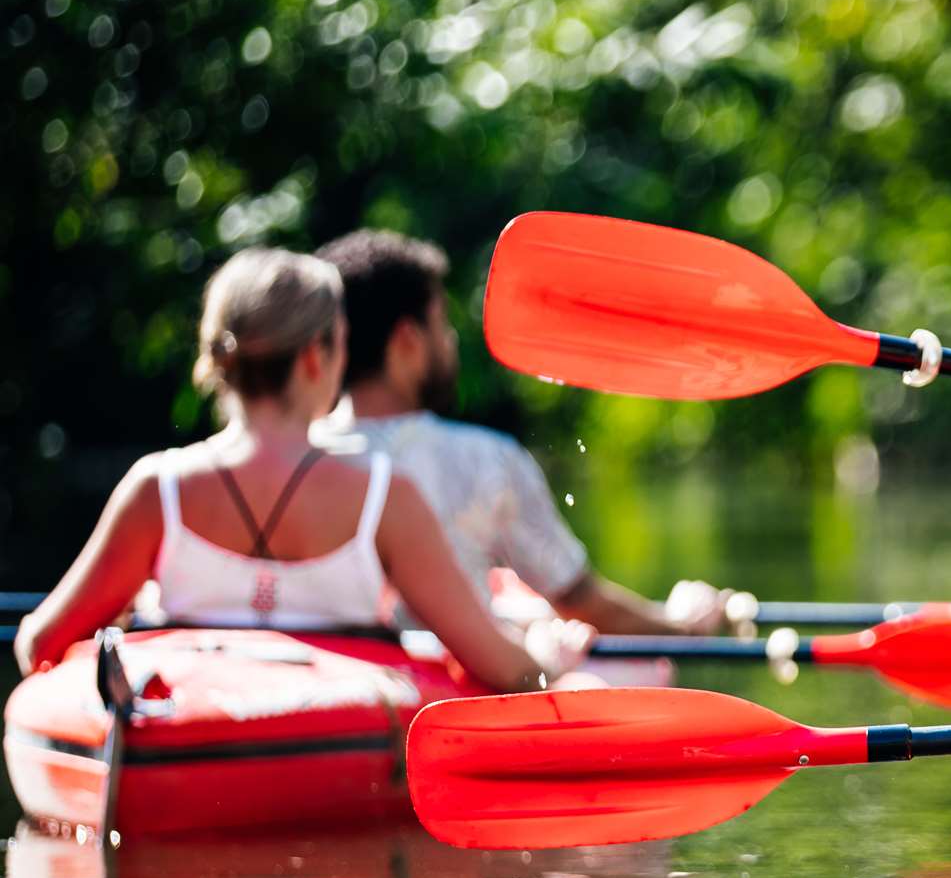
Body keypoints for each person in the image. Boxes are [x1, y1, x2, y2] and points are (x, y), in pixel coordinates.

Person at [14, 249, 582, 692]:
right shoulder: (385, 497)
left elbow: (38, 643)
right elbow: (501, 667)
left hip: (183, 743)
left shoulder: (155, 489)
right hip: (334, 758)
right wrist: (548, 660)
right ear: (317, 355)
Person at [313, 229, 734, 635]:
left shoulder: (293, 456)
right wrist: (682, 623)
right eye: (441, 324)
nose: (451, 340)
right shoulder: (486, 459)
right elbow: (581, 603)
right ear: (407, 340)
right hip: (453, 682)